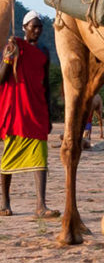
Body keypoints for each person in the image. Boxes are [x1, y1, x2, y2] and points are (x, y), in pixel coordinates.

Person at [0, 11, 59, 218]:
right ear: (24, 27)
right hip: (16, 110)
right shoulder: (14, 47)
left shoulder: (43, 50)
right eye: (33, 26)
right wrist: (8, 59)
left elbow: (46, 85)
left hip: (36, 109)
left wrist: (49, 114)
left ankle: (41, 205)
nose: (37, 30)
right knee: (8, 158)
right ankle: (5, 202)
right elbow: (1, 78)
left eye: (40, 27)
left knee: (41, 158)